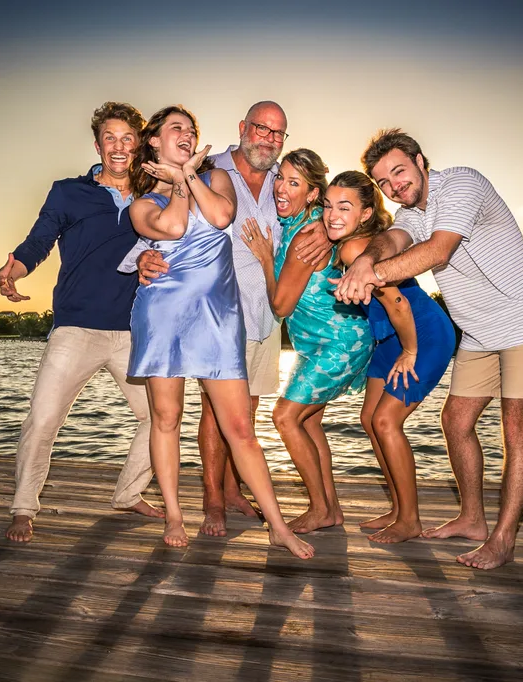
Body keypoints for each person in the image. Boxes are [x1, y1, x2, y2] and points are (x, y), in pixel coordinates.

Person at [334, 129, 523, 569]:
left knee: (516, 430)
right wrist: (365, 260)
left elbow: (438, 252)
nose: (394, 185)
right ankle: (473, 519)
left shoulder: (461, 184)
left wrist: (370, 277)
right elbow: (391, 240)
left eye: (399, 171)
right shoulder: (410, 213)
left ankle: (503, 539)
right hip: (478, 331)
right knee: (455, 421)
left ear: (421, 161)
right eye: (384, 182)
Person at [127, 102, 330, 537]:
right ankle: (212, 501)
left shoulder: (280, 180)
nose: (268, 139)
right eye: (261, 128)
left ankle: (235, 492)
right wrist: (141, 258)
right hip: (195, 311)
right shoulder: (214, 168)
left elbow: (318, 203)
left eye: (277, 133)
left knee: (243, 417)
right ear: (243, 128)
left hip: (260, 312)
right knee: (198, 415)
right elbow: (163, 231)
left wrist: (329, 233)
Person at [0, 102, 162, 544]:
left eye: (127, 138)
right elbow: (38, 242)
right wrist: (13, 271)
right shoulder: (68, 193)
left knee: (161, 417)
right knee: (42, 419)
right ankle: (23, 508)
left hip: (135, 330)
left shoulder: (153, 197)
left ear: (139, 145)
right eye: (110, 138)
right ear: (97, 145)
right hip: (77, 327)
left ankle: (128, 493)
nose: (119, 147)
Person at [242, 149, 372, 534]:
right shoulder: (307, 223)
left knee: (284, 417)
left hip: (337, 341)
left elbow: (281, 305)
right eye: (280, 178)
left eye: (294, 183)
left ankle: (320, 508)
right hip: (315, 344)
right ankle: (331, 508)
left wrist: (265, 259)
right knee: (310, 423)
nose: (281, 188)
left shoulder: (307, 234)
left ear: (312, 193)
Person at [325, 171, 456, 543]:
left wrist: (411, 351)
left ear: (366, 214)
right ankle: (399, 508)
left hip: (421, 334)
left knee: (385, 421)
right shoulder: (355, 243)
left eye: (344, 207)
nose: (333, 215)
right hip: (390, 338)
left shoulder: (355, 249)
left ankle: (410, 519)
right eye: (328, 206)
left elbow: (398, 302)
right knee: (369, 419)